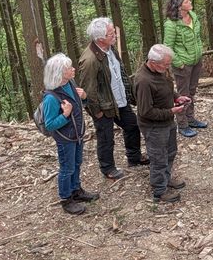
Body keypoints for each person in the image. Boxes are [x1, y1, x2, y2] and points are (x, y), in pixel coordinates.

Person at [76, 18, 143, 182]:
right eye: (111, 33)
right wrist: (96, 112)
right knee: (106, 138)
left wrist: (130, 95)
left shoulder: (110, 49)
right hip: (103, 107)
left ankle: (134, 158)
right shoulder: (90, 60)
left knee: (133, 126)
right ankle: (108, 168)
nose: (115, 36)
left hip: (120, 101)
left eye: (113, 32)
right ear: (100, 38)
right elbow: (87, 89)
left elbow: (119, 73)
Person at [42, 53, 98, 215]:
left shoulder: (71, 84)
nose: (73, 69)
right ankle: (66, 199)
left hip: (77, 134)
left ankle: (76, 190)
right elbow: (50, 124)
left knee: (77, 163)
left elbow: (81, 105)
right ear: (60, 72)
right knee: (67, 168)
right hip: (65, 138)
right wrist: (65, 114)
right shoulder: (51, 98)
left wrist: (84, 97)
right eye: (69, 68)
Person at [134, 44, 190, 203]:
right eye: (165, 64)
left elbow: (165, 88)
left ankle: (166, 178)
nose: (168, 67)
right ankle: (159, 190)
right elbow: (146, 111)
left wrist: (176, 97)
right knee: (158, 157)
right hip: (154, 126)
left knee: (170, 152)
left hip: (167, 121)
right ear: (153, 62)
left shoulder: (160, 71)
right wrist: (171, 111)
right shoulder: (143, 81)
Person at [163, 0, 208, 137]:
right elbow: (167, 46)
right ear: (179, 6)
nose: (190, 2)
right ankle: (182, 125)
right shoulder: (171, 24)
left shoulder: (193, 16)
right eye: (187, 1)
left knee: (192, 91)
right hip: (183, 64)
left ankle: (191, 118)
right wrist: (179, 63)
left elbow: (197, 38)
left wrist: (199, 52)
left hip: (196, 61)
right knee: (183, 94)